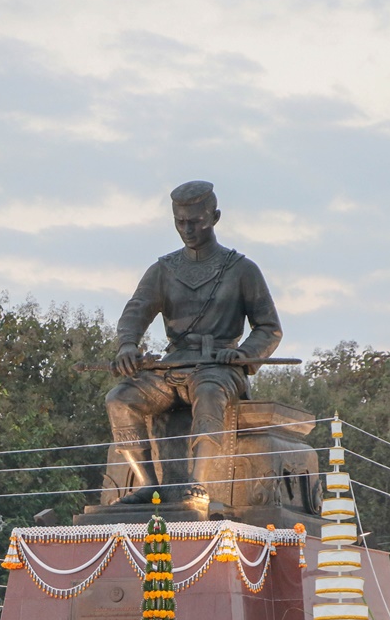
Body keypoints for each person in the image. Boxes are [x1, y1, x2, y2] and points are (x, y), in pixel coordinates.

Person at [105, 180, 283, 505]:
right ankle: (147, 483)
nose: (187, 230)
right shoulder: (163, 270)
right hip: (170, 370)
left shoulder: (242, 270)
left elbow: (269, 328)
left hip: (219, 368)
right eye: (180, 222)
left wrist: (243, 354)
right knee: (119, 398)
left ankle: (198, 483)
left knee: (209, 393)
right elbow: (134, 313)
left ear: (214, 216)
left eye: (195, 222)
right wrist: (127, 346)